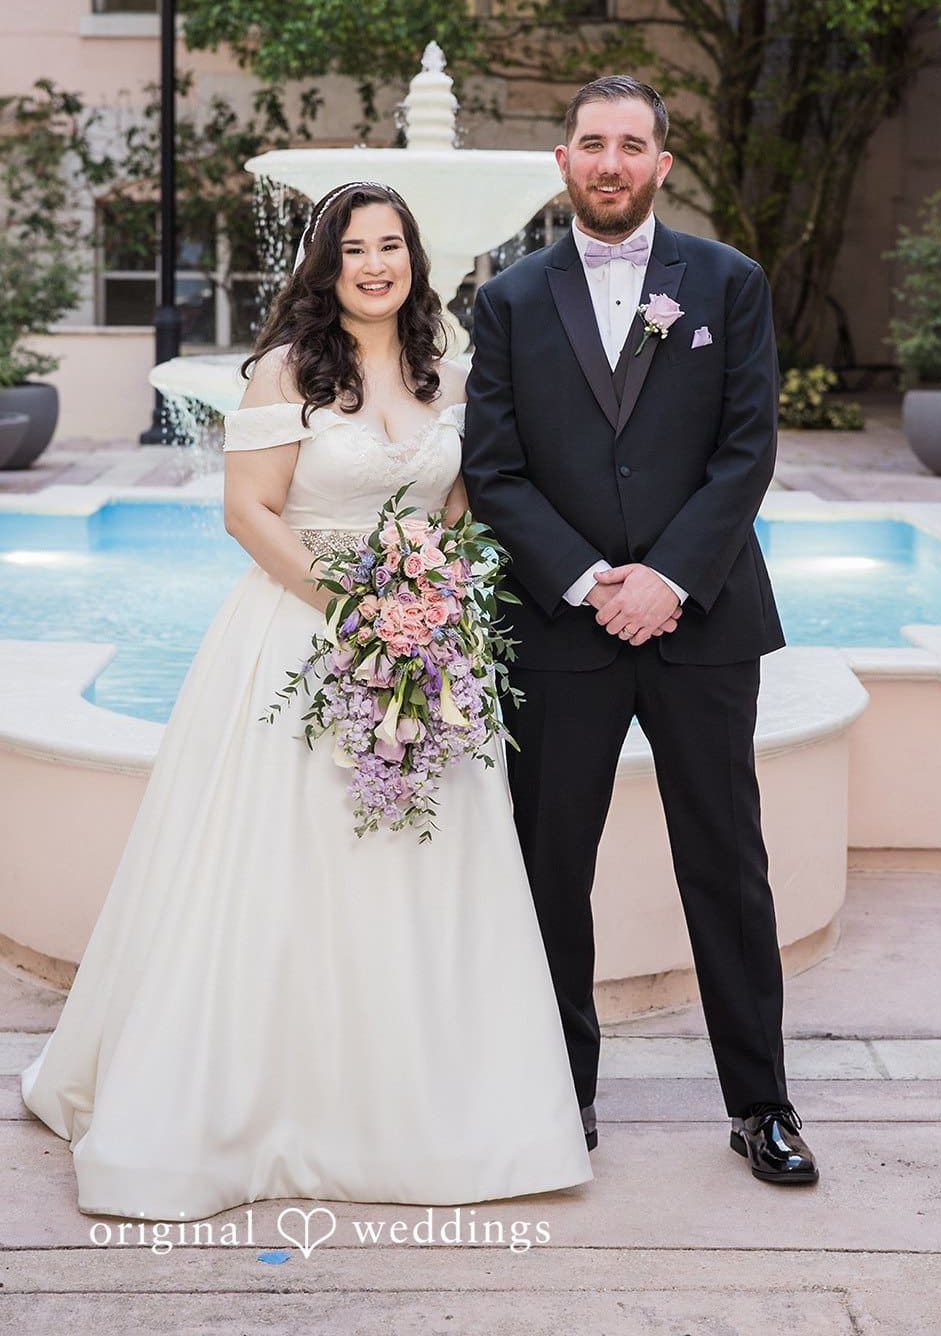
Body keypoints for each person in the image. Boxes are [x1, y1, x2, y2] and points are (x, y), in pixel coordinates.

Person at [21, 181, 591, 1220]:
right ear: (323, 266)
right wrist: (360, 605)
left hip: (425, 645)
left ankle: (432, 1112)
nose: (375, 264)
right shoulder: (285, 370)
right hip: (299, 632)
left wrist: (427, 600)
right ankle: (252, 1110)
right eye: (353, 249)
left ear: (415, 260)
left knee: (424, 875)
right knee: (281, 868)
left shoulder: (452, 376)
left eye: (391, 246)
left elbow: (463, 509)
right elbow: (250, 511)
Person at [462, 77, 818, 1185]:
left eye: (631, 145)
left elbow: (744, 449)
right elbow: (494, 470)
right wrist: (581, 580)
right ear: (561, 162)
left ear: (661, 162)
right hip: (556, 630)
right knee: (547, 867)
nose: (609, 162)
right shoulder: (508, 299)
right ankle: (557, 1095)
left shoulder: (728, 282)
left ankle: (760, 1104)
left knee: (725, 864)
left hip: (698, 621)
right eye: (590, 144)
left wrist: (665, 577)